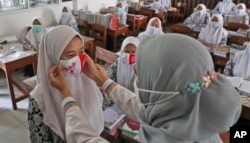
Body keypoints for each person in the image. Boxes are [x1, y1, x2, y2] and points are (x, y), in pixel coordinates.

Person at [48, 33, 242, 143]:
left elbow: (86, 139)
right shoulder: (194, 114)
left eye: (141, 75)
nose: (136, 78)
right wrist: (105, 82)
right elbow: (143, 108)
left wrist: (67, 96)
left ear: (165, 89)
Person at [28, 25, 104, 142]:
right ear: (53, 58)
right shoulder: (40, 99)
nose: (78, 60)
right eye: (71, 55)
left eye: (82, 51)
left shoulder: (89, 79)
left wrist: (102, 81)